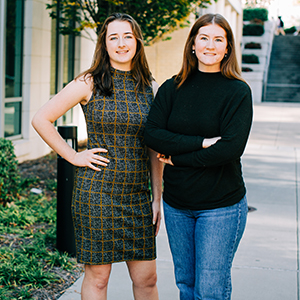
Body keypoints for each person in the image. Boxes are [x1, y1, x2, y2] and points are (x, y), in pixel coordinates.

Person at [32, 13, 164, 300]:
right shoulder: (88, 82)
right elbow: (41, 118)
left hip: (138, 195)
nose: (121, 43)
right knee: (99, 278)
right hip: (97, 194)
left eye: (127, 36)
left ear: (137, 41)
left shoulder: (150, 87)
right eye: (113, 37)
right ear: (104, 44)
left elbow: (153, 148)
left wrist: (157, 197)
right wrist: (73, 156)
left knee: (147, 279)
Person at [144, 13, 253, 300]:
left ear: (227, 48)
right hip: (178, 205)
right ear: (192, 44)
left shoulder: (237, 92)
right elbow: (152, 134)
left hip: (221, 206)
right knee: (186, 284)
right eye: (204, 37)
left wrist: (179, 158)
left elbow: (230, 148)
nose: (210, 45)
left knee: (210, 291)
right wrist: (201, 142)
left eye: (219, 39)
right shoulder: (172, 87)